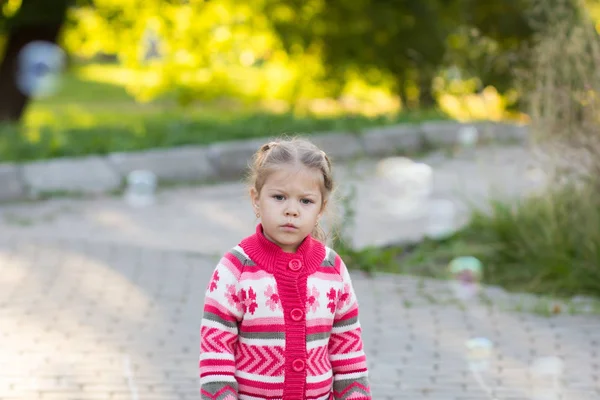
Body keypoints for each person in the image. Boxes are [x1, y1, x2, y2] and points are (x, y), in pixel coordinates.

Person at [199, 137, 372, 400]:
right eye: (279, 197)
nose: (291, 210)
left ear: (321, 208)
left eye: (306, 201)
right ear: (256, 199)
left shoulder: (332, 269)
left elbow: (348, 349)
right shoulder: (235, 268)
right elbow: (216, 351)